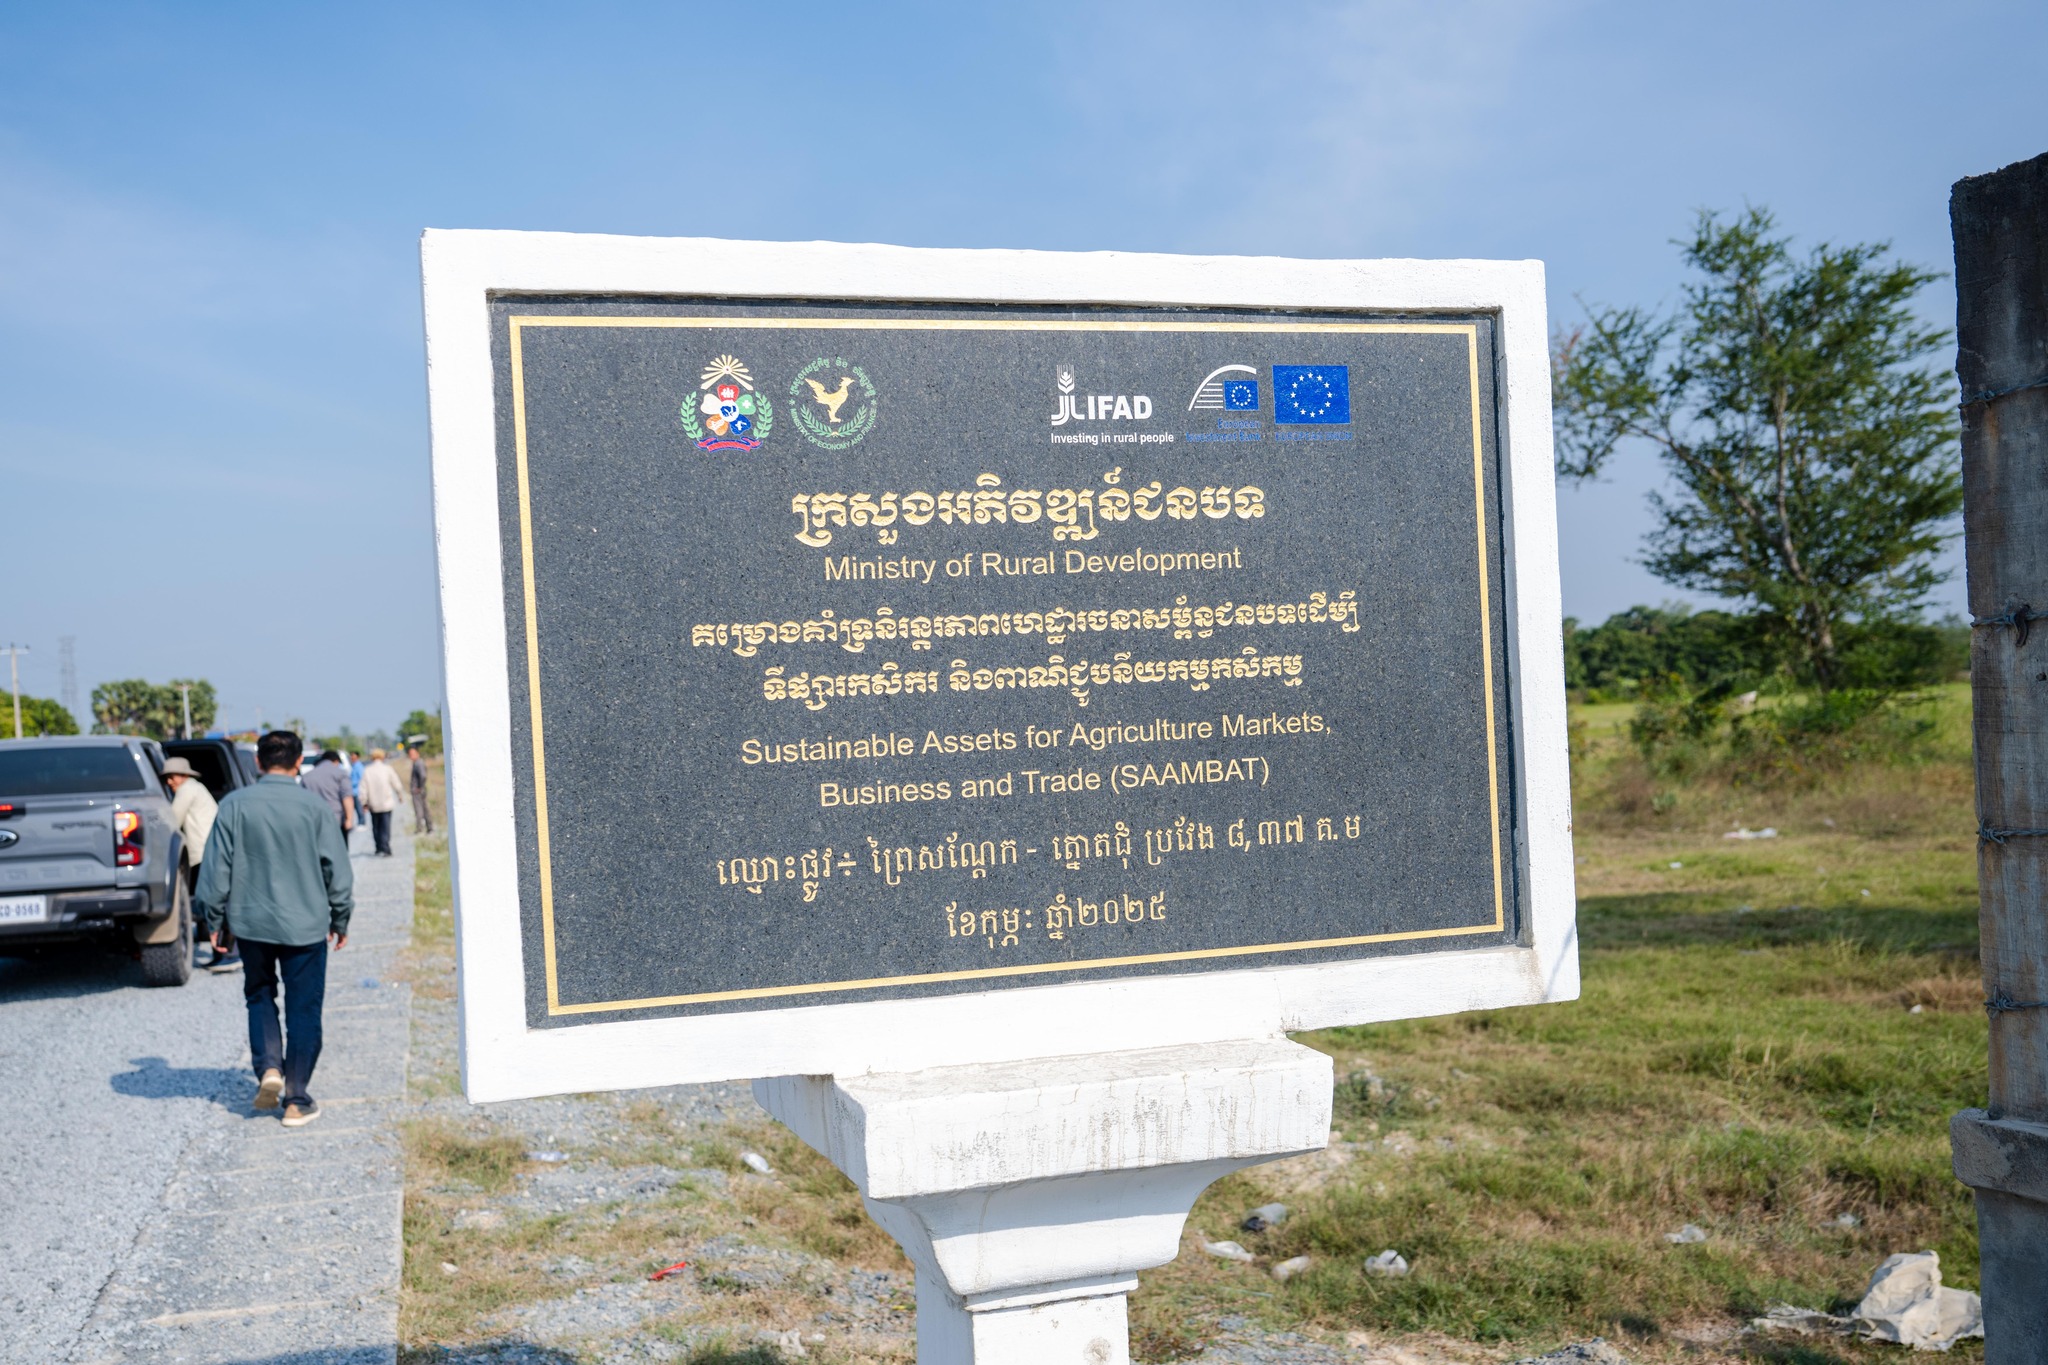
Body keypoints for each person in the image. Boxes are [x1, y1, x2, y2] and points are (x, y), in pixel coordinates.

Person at [195, 730, 353, 1128]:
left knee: (260, 995)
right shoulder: (313, 807)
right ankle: (296, 1099)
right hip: (306, 925)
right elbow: (336, 870)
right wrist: (340, 917)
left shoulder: (233, 805)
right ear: (299, 762)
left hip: (251, 924)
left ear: (258, 762)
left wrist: (214, 919)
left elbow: (215, 870)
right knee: (304, 1008)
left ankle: (269, 1067)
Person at [162, 757, 232, 972]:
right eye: (167, 778)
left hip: (202, 853)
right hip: (209, 851)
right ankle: (223, 952)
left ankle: (227, 953)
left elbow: (173, 821)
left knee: (212, 902)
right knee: (215, 902)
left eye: (172, 777)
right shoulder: (196, 788)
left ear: (184, 775)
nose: (169, 782)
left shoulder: (187, 790)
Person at [300, 749, 355, 847]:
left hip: (314, 821)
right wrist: (349, 819)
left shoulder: (307, 776)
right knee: (339, 850)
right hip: (336, 819)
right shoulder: (340, 773)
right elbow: (347, 797)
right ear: (336, 761)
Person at [359, 748, 405, 857]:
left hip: (373, 804)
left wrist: (364, 802)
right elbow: (396, 783)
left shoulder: (367, 770)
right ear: (382, 757)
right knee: (385, 826)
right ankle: (386, 847)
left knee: (376, 826)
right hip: (386, 803)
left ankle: (378, 847)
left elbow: (363, 789)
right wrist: (400, 795)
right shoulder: (387, 769)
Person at [406, 744, 433, 835]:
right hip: (420, 790)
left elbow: (423, 776)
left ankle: (420, 829)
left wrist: (419, 787)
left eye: (412, 753)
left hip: (418, 791)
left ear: (418, 753)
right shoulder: (417, 763)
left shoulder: (419, 763)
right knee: (424, 809)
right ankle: (429, 828)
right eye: (410, 754)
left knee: (419, 810)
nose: (411, 756)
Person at [348, 751, 366, 836]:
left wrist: (351, 783)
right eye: (351, 757)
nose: (352, 758)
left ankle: (362, 823)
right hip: (353, 791)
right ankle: (360, 822)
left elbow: (361, 778)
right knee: (356, 808)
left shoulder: (359, 767)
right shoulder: (353, 766)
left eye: (354, 757)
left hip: (358, 790)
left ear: (357, 757)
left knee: (359, 808)